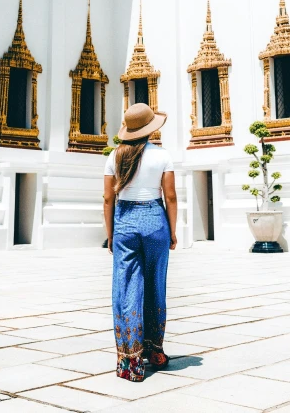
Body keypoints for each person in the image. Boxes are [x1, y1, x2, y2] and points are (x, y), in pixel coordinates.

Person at [104, 103, 177, 382]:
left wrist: (111, 234)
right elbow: (169, 197)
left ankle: (130, 362)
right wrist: (171, 230)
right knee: (155, 284)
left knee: (126, 288)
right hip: (155, 219)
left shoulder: (114, 156)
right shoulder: (162, 156)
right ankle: (155, 351)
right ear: (150, 129)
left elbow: (108, 199)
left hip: (124, 220)